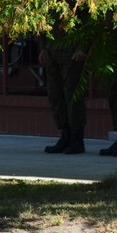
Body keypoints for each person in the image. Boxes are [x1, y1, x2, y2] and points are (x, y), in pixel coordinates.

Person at [39, 22, 89, 155]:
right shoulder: (48, 0)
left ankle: (76, 139)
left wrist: (83, 48)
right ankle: (65, 135)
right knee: (55, 95)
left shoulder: (75, 0)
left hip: (71, 52)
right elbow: (43, 21)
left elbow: (86, 22)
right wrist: (43, 47)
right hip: (52, 51)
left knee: (72, 95)